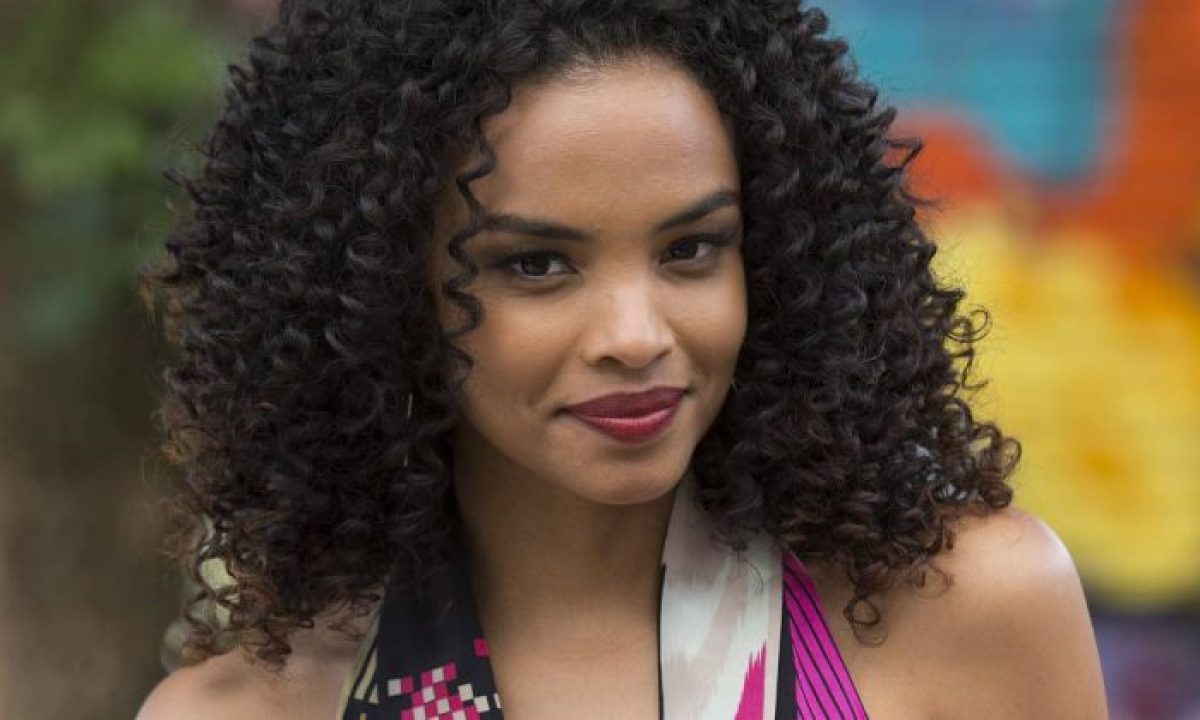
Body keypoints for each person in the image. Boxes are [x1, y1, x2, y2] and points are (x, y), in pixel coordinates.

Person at [137, 1, 1109, 718]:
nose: (637, 334)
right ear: (383, 290)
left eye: (691, 248)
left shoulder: (973, 614)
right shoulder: (244, 712)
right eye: (537, 264)